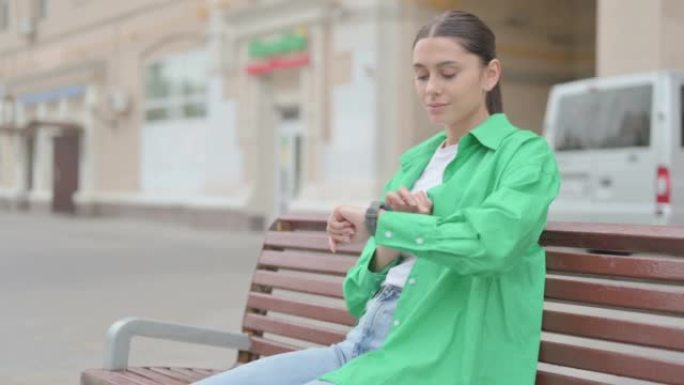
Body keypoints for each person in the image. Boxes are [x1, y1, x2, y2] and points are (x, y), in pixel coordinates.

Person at [194, 9, 560, 385]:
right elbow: (357, 296)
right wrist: (392, 236)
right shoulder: (417, 161)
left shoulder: (523, 155)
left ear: (490, 74)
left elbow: (493, 245)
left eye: (448, 73)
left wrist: (380, 222)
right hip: (357, 347)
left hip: (429, 361)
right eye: (421, 75)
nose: (430, 88)